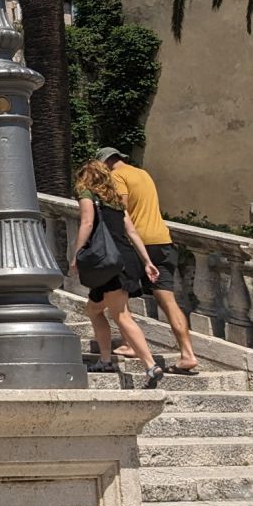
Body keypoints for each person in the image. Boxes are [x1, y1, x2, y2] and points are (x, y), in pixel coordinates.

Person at [100, 146, 199, 374]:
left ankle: (129, 344)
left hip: (139, 243)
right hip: (162, 240)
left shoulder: (117, 176)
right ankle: (187, 354)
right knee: (169, 301)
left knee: (122, 294)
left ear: (106, 163)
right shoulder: (143, 174)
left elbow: (121, 207)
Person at [74, 158, 164, 388]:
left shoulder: (88, 195)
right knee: (93, 309)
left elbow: (86, 223)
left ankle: (150, 365)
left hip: (108, 263)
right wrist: (146, 261)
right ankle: (105, 359)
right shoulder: (115, 201)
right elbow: (132, 232)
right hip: (124, 259)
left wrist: (75, 255)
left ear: (87, 177)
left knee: (121, 315)